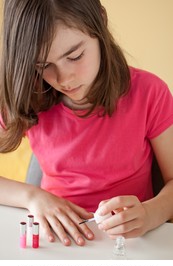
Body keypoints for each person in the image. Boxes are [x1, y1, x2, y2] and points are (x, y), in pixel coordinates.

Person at [0, 0, 173, 247]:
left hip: (132, 243)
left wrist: (150, 213)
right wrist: (32, 196)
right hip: (57, 243)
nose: (63, 79)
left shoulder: (149, 93)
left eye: (75, 56)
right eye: (43, 66)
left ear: (100, 21)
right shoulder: (28, 95)